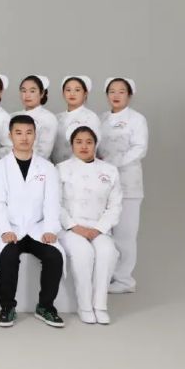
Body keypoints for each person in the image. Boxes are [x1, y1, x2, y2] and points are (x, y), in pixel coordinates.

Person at [0, 115, 65, 328]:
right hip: (11, 228)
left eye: (29, 132)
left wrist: (50, 229)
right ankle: (7, 307)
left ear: (35, 135)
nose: (24, 138)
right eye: (19, 133)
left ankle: (46, 306)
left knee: (54, 256)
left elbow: (52, 202)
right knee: (8, 255)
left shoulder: (47, 168)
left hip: (38, 227)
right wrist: (5, 230)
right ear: (10, 136)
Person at [58, 126, 122, 324]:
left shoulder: (110, 171)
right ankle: (85, 306)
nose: (84, 146)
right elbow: (55, 204)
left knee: (107, 252)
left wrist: (99, 229)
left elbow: (115, 206)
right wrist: (73, 226)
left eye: (89, 142)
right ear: (72, 145)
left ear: (96, 144)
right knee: (83, 253)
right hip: (70, 227)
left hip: (98, 228)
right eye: (79, 142)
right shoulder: (61, 169)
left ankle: (100, 305)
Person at [97, 77, 148, 294]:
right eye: (112, 91)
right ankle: (106, 275)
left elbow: (140, 148)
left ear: (129, 95)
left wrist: (113, 163)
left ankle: (125, 280)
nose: (116, 95)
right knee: (105, 232)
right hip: (103, 183)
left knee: (125, 234)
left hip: (128, 183)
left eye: (121, 91)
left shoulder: (137, 119)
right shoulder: (101, 118)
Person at [51, 76, 100, 164]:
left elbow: (93, 147)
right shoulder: (57, 118)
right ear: (63, 93)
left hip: (80, 167)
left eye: (77, 90)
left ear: (85, 93)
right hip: (56, 166)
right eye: (68, 90)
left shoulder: (91, 117)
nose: (72, 93)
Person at [11, 75, 57, 160]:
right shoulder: (12, 116)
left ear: (42, 93)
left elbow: (44, 152)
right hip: (12, 163)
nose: (27, 95)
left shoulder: (48, 118)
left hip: (38, 165)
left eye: (32, 91)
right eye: (24, 91)